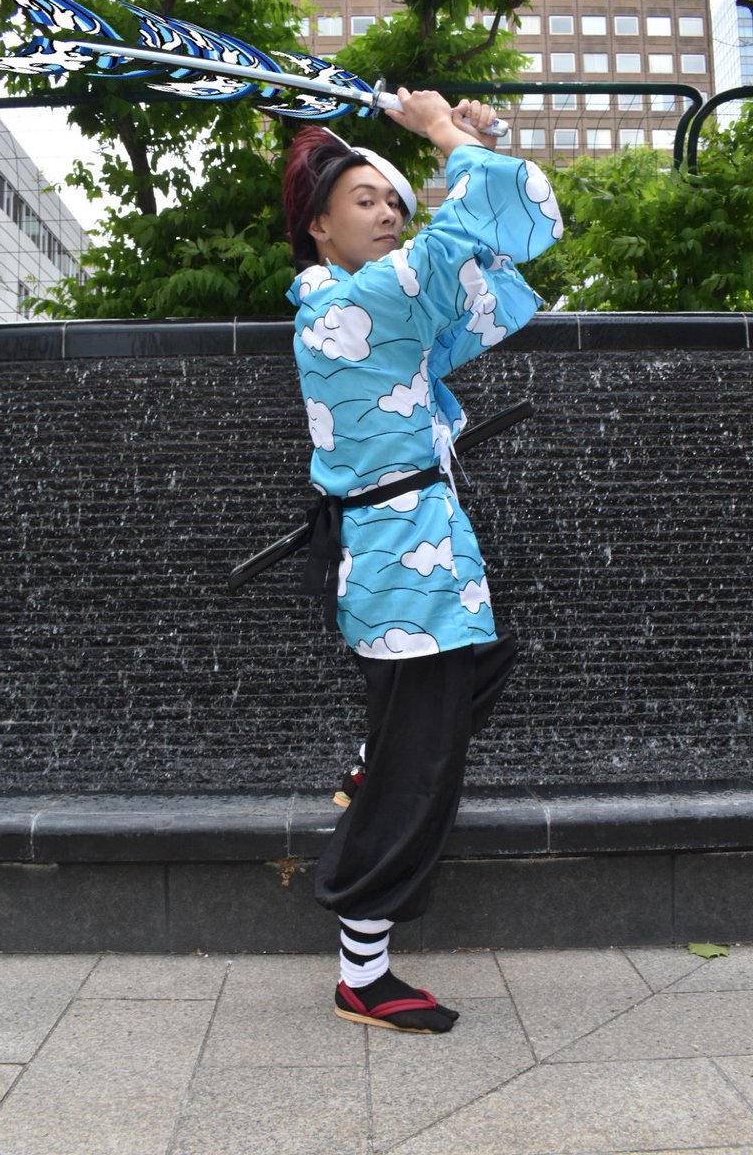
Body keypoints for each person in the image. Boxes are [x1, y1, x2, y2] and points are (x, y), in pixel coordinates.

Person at [281, 89, 562, 1033]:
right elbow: (475, 234)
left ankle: (373, 760)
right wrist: (442, 135)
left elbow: (484, 279)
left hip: (411, 556)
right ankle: (363, 974)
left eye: (393, 199)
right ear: (320, 230)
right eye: (364, 200)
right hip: (403, 561)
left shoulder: (364, 307)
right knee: (420, 769)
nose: (389, 211)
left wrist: (467, 143)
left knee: (481, 666)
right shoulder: (357, 303)